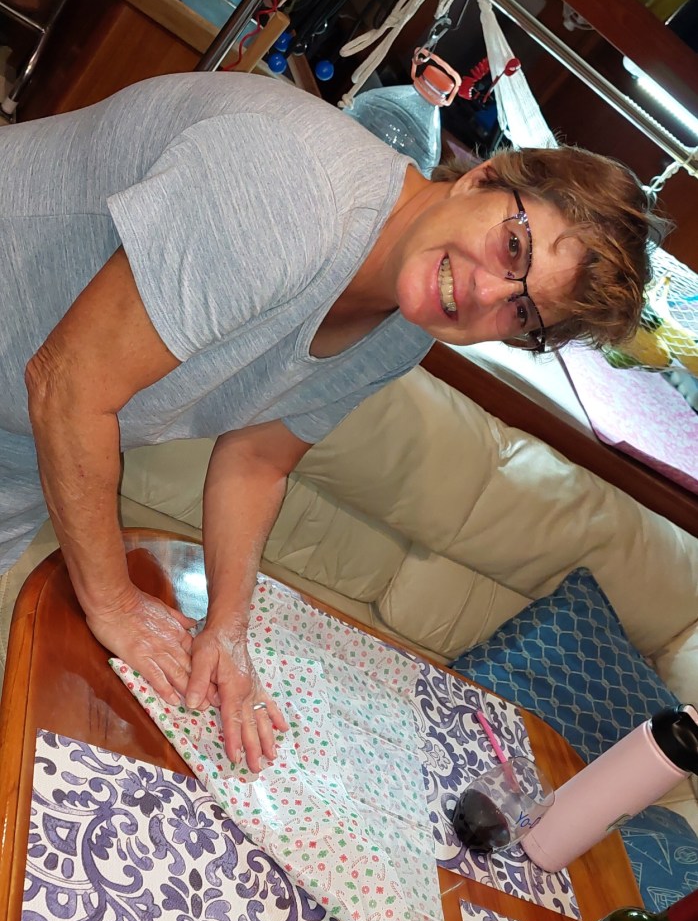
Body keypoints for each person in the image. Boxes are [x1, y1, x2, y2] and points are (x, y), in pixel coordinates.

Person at [0, 70, 661, 772]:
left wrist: (227, 627)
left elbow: (258, 458)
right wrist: (113, 604)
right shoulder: (296, 193)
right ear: (481, 179)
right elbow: (68, 387)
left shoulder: (402, 332)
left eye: (521, 311)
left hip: (23, 445)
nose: (484, 291)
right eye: (515, 248)